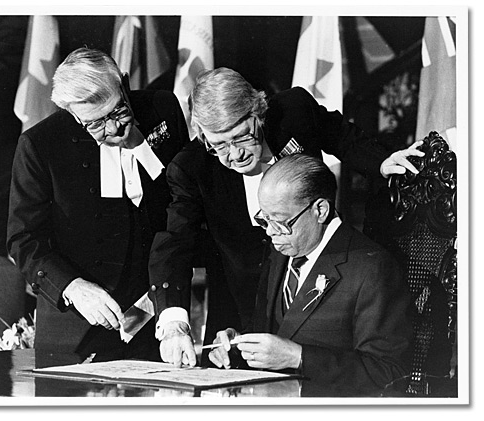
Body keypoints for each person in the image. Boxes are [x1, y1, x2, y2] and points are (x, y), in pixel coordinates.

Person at [147, 67, 422, 367]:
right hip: (245, 298)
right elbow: (175, 242)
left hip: (324, 281)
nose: (235, 155)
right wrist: (173, 323)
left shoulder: (295, 111)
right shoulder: (190, 167)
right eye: (219, 145)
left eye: (242, 137)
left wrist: (382, 161)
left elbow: (342, 135)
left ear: (258, 112)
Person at [7, 48, 189, 361]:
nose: (115, 129)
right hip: (75, 326)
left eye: (119, 111)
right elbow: (22, 240)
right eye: (95, 123)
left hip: (155, 319)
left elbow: (182, 208)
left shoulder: (162, 108)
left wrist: (172, 311)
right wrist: (73, 287)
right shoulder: (40, 145)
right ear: (72, 113)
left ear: (124, 85)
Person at [208, 154, 413, 393]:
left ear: (320, 210)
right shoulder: (280, 253)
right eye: (265, 220)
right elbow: (278, 332)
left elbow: (389, 374)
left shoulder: (371, 268)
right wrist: (238, 345)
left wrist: (299, 358)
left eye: (282, 222)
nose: (272, 233)